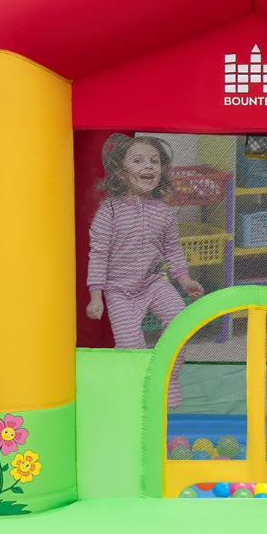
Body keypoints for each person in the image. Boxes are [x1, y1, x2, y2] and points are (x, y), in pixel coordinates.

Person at [85, 134, 204, 407]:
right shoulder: (109, 212)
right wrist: (96, 296)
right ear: (120, 173)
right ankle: (136, 389)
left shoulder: (164, 212)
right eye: (138, 161)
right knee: (131, 345)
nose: (148, 166)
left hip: (153, 282)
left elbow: (173, 250)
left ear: (162, 170)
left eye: (154, 161)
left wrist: (185, 280)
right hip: (119, 291)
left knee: (180, 319)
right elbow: (98, 255)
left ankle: (167, 377)